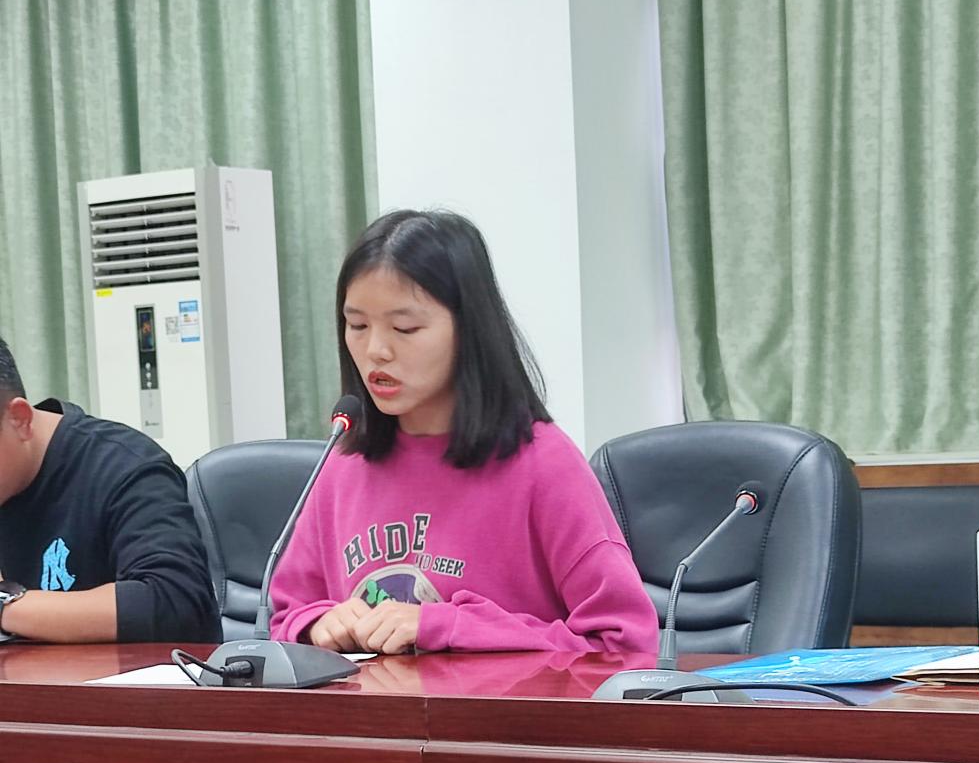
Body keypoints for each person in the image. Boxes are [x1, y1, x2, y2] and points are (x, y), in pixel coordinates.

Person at [269, 209, 658, 656]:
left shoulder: (543, 464)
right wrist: (316, 624)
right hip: (375, 702)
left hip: (501, 705)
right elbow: (284, 616)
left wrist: (452, 626)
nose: (376, 350)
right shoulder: (343, 463)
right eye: (357, 325)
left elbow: (626, 643)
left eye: (405, 328)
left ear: (468, 329)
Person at [0, 336, 221, 644]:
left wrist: (6, 606)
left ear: (19, 419)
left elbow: (173, 601)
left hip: (130, 674)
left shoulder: (124, 465)